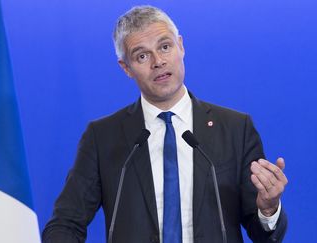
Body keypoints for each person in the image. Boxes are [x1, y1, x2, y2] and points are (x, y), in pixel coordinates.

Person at [42, 5, 288, 243]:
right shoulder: (102, 137)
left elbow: (263, 233)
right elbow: (65, 223)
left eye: (165, 46)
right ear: (126, 68)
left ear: (181, 46)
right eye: (142, 55)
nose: (158, 61)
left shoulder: (236, 128)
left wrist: (268, 208)